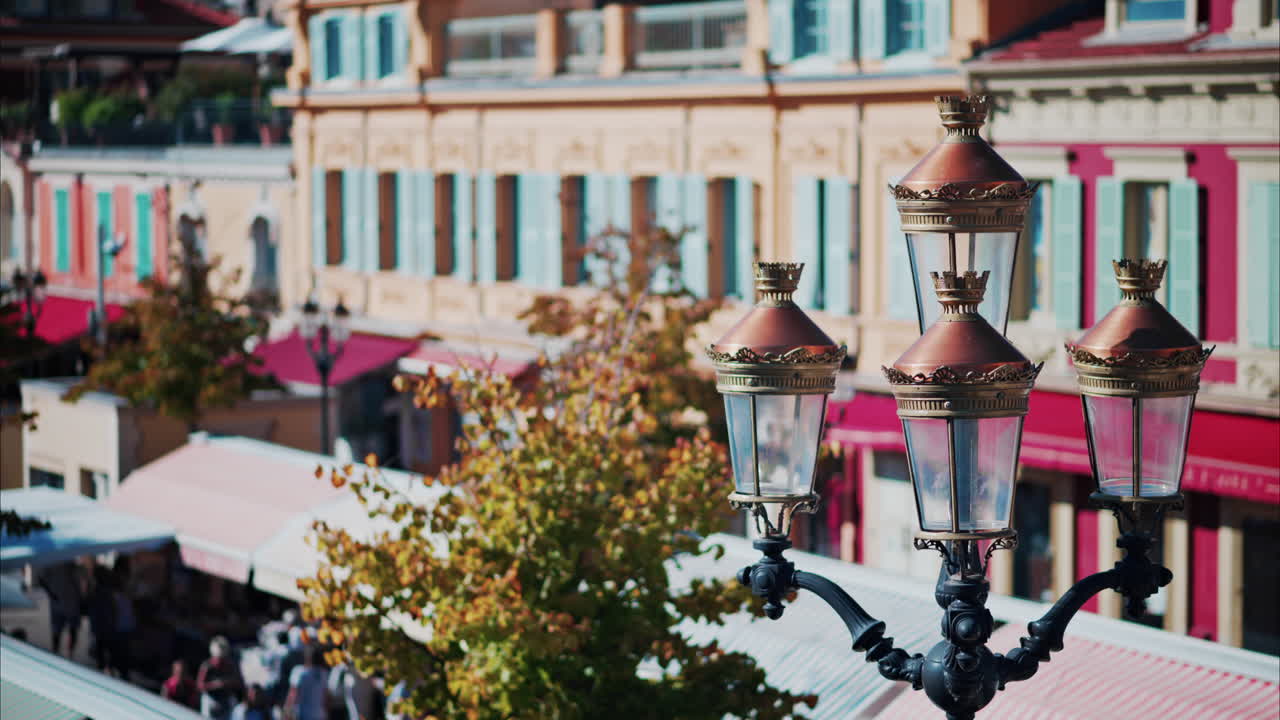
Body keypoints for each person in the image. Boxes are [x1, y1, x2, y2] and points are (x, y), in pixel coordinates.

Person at [37, 562, 83, 657]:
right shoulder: (68, 562)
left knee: (61, 629)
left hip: (64, 601)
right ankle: (66, 653)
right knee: (67, 629)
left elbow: (41, 579)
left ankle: (60, 653)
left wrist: (51, 594)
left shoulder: (57, 561)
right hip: (68, 601)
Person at [197, 636, 243, 720]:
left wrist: (229, 682)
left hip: (225, 701)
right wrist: (215, 684)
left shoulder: (230, 666)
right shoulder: (207, 666)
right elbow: (200, 686)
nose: (220, 661)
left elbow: (238, 682)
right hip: (210, 700)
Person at [285, 645, 328, 720]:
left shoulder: (299, 671)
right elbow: (326, 697)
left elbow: (292, 694)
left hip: (304, 714)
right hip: (320, 714)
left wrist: (287, 712)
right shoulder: (323, 673)